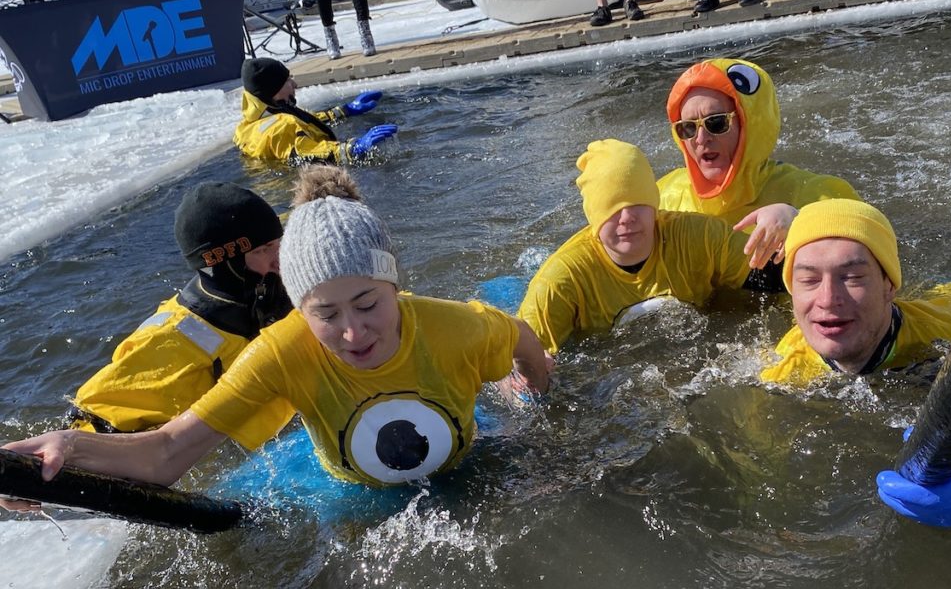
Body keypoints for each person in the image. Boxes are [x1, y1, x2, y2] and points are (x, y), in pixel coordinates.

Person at [3, 167, 549, 491]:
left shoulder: (458, 326)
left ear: (395, 288)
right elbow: (167, 453)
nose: (353, 333)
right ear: (298, 306)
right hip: (354, 491)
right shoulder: (280, 352)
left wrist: (532, 392)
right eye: (326, 315)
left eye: (367, 304)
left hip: (466, 467)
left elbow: (523, 338)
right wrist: (71, 447)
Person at [516, 138, 785, 357]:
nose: (627, 218)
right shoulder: (561, 280)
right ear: (593, 216)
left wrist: (788, 219)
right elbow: (516, 362)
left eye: (637, 204)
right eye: (612, 208)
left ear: (654, 203)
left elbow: (785, 277)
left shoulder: (699, 237)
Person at [65, 182, 294, 435]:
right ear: (224, 265)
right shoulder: (173, 342)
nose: (280, 258)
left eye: (278, 243)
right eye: (264, 250)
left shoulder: (265, 288)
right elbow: (90, 416)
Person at [760, 198, 951, 386]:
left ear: (889, 285)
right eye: (809, 280)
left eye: (852, 278)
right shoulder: (784, 372)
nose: (827, 300)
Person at [659, 58, 858, 270]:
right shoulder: (662, 199)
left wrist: (802, 221)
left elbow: (872, 270)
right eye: (688, 128)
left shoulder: (815, 195)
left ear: (749, 124)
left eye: (716, 122)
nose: (700, 138)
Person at [233, 57, 396, 165]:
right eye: (287, 82)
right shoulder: (282, 128)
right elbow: (309, 153)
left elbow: (305, 122)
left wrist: (343, 111)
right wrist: (352, 149)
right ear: (273, 91)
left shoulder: (252, 122)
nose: (295, 85)